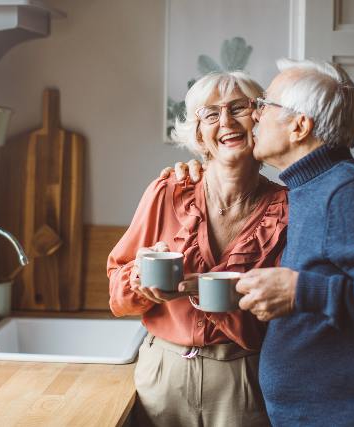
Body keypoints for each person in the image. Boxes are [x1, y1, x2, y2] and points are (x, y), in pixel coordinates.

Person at [163, 58, 354, 426]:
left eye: (264, 106)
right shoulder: (309, 187)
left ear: (299, 125)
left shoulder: (347, 192)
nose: (254, 117)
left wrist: (298, 292)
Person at [107, 71, 288, 426]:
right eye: (210, 114)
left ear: (259, 118)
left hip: (244, 377)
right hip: (163, 374)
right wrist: (139, 280)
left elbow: (289, 314)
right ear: (200, 136)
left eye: (238, 108)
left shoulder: (287, 208)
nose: (225, 122)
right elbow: (116, 291)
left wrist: (207, 289)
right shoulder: (168, 190)